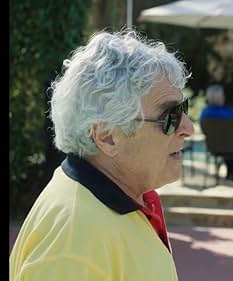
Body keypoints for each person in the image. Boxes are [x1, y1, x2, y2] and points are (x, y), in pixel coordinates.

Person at [10, 29, 194, 281]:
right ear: (107, 136)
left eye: (183, 109)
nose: (188, 128)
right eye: (170, 117)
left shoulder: (116, 199)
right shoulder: (76, 242)